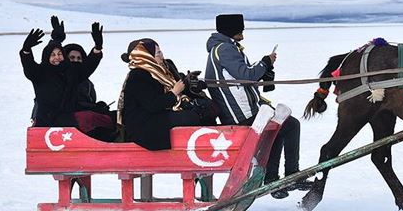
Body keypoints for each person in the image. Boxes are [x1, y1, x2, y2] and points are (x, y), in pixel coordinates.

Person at [205, 14, 312, 198]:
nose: (243, 35)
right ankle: (289, 176)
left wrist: (264, 72)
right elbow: (246, 75)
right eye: (241, 30)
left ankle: (273, 180)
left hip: (244, 110)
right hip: (240, 114)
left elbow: (240, 77)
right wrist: (265, 63)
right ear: (232, 30)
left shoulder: (223, 48)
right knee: (291, 125)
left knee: (279, 128)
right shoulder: (224, 49)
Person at [118, 39, 210, 150]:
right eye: (157, 54)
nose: (161, 56)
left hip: (160, 113)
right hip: (144, 123)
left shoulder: (163, 68)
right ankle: (191, 150)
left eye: (160, 52)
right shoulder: (138, 75)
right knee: (190, 118)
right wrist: (174, 93)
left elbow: (179, 83)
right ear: (146, 56)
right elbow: (152, 104)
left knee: (205, 108)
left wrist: (191, 83)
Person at [20, 21, 104, 127]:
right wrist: (26, 51)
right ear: (47, 57)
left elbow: (88, 66)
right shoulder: (40, 73)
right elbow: (29, 67)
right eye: (53, 55)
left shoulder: (71, 72)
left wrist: (97, 48)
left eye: (60, 54)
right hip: (46, 122)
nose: (57, 57)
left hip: (67, 120)